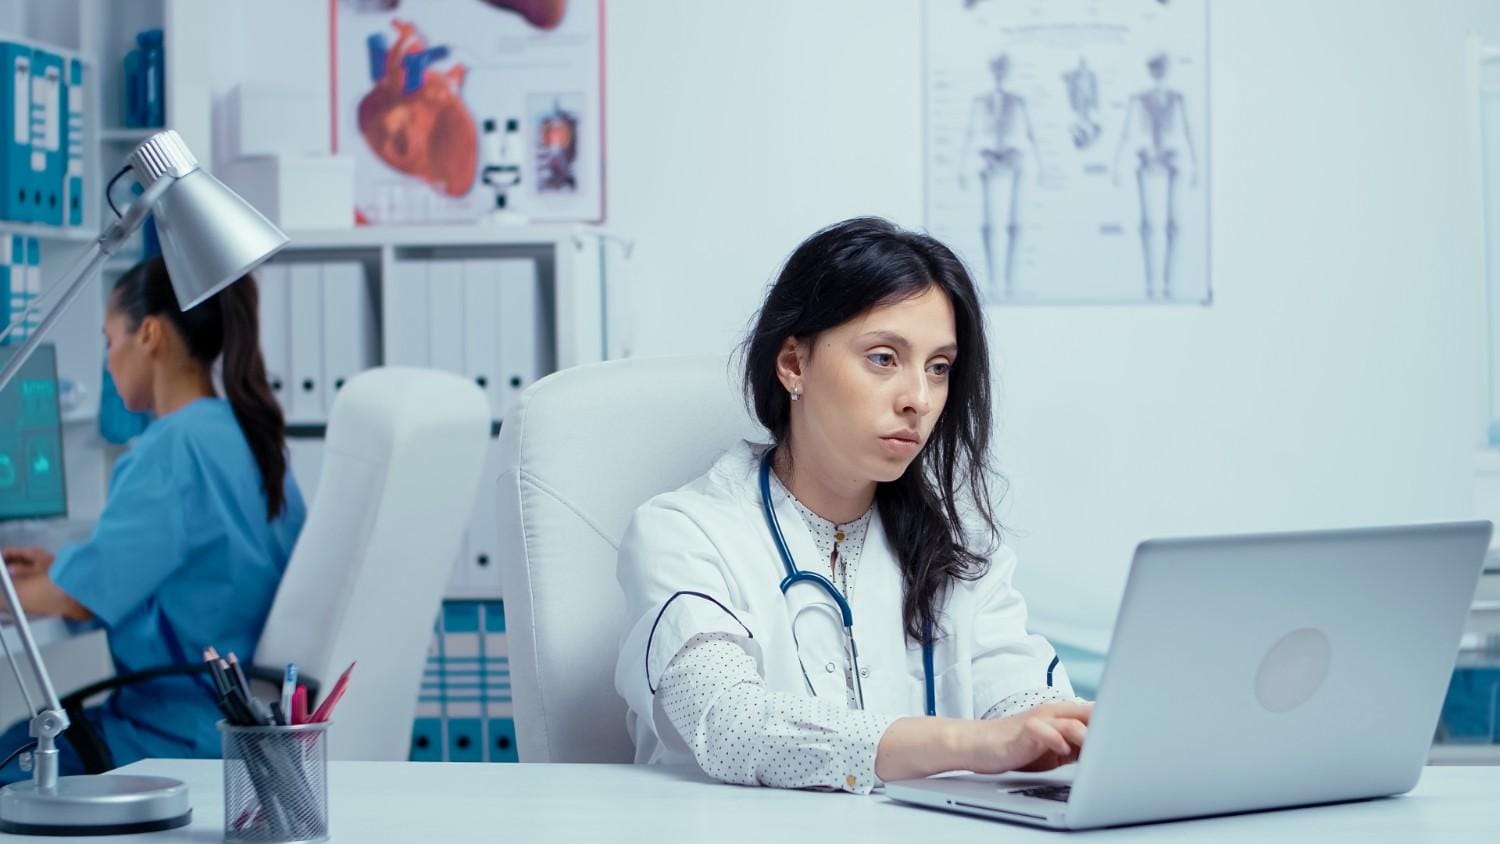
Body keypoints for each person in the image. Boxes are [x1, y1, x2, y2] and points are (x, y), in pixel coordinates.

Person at [615, 217, 1089, 794]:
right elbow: (730, 724)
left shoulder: (958, 547)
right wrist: (971, 744)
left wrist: (1058, 729)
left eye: (938, 367)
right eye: (884, 358)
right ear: (793, 364)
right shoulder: (685, 533)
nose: (918, 399)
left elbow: (1014, 687)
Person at [0, 255, 306, 781]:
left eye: (108, 339)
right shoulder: (244, 434)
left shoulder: (172, 450)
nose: (106, 360)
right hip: (240, 727)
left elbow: (75, 597)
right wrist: (62, 569)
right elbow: (198, 579)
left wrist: (26, 588)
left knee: (11, 753)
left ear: (149, 335)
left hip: (179, 734)